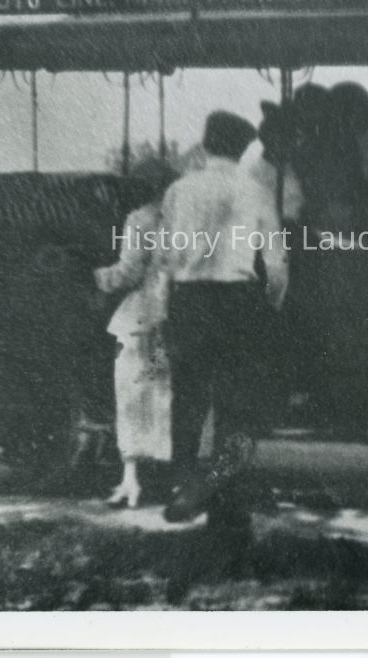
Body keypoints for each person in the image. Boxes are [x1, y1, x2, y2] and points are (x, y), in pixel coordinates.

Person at [158, 111, 288, 529]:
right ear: (244, 148)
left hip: (189, 299)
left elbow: (165, 260)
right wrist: (267, 307)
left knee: (188, 400)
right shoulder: (256, 192)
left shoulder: (178, 191)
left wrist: (168, 306)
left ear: (205, 144)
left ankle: (183, 486)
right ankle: (219, 493)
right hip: (237, 300)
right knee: (235, 406)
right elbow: (276, 266)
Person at [94, 159, 178, 508]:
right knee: (166, 391)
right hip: (176, 313)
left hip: (143, 315)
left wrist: (97, 277)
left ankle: (132, 480)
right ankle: (172, 477)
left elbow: (129, 271)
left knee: (132, 392)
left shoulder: (140, 219)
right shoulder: (184, 219)